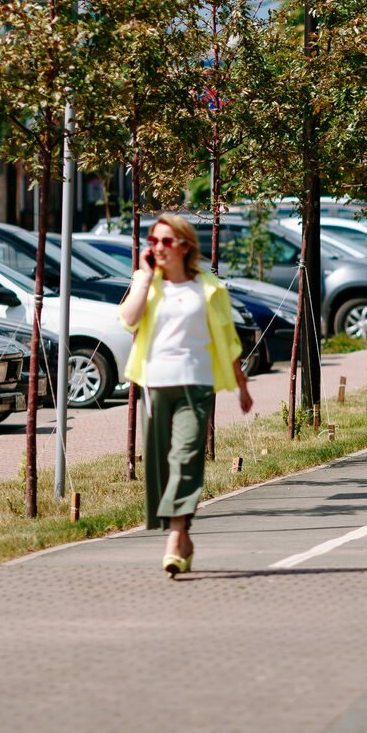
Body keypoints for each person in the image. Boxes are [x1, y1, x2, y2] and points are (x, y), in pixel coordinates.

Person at [119, 212, 252, 577]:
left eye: (166, 241)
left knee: (186, 455)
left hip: (197, 384)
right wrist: (145, 278)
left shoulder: (208, 287)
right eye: (153, 241)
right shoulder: (147, 281)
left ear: (184, 245)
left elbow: (227, 338)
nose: (157, 247)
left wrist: (241, 384)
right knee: (161, 465)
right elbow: (129, 319)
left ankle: (176, 537)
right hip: (155, 384)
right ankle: (185, 535)